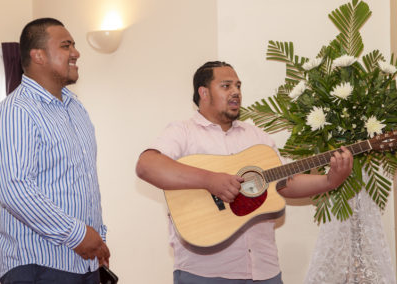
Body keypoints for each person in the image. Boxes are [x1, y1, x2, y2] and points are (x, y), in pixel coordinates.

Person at [136, 61, 353, 283]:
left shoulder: (257, 137)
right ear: (204, 92)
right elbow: (147, 165)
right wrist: (209, 180)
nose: (236, 92)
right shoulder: (183, 132)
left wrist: (330, 180)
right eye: (226, 86)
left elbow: (287, 182)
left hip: (265, 270)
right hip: (205, 272)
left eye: (238, 86)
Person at [0, 18, 110, 284]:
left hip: (84, 263)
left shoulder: (76, 108)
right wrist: (78, 235)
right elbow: (15, 189)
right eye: (65, 45)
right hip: (38, 266)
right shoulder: (17, 110)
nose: (76, 52)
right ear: (38, 56)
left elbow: (83, 185)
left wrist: (97, 243)